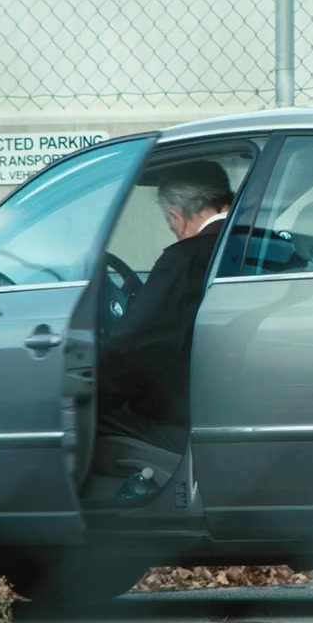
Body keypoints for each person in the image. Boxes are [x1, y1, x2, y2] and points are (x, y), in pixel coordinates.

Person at [96, 161, 233, 468]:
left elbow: (133, 349)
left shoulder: (185, 259)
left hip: (181, 417)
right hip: (231, 403)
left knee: (84, 422)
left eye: (169, 223)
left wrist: (91, 393)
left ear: (176, 217)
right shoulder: (261, 244)